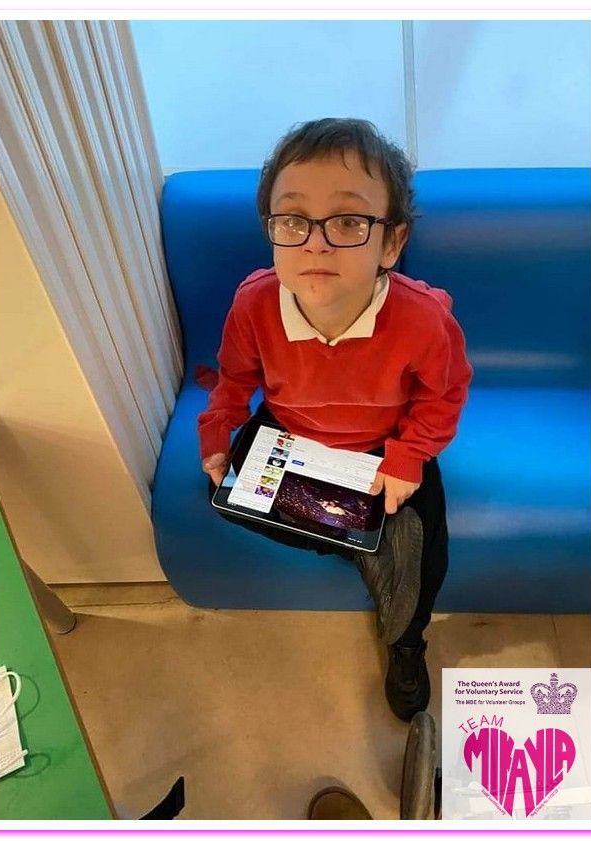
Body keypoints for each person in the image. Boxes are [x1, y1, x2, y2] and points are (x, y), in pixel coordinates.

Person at [197, 117, 473, 723]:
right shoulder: (253, 303)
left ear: (391, 244)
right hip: (289, 432)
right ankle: (353, 541)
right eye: (294, 221)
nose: (315, 244)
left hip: (384, 444)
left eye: (348, 222)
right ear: (272, 231)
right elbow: (235, 379)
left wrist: (407, 458)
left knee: (426, 556)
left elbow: (443, 396)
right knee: (222, 496)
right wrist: (218, 432)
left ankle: (407, 643)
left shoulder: (423, 319)